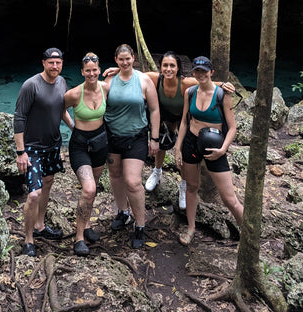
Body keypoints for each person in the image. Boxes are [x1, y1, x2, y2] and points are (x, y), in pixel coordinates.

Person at [105, 51, 235, 209]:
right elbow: (133, 72)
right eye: (165, 65)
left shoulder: (185, 82)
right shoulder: (155, 78)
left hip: (184, 118)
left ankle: (184, 185)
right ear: (160, 67)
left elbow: (206, 80)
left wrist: (223, 85)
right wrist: (119, 69)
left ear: (178, 68)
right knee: (160, 145)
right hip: (164, 116)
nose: (168, 69)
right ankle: (157, 171)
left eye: (172, 66)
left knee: (183, 156)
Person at [174, 56, 243, 246]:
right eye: (197, 71)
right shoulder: (190, 92)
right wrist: (178, 147)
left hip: (215, 145)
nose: (200, 74)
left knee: (228, 197)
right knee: (192, 187)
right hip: (191, 142)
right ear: (193, 73)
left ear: (211, 72)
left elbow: (233, 127)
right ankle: (190, 227)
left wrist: (223, 150)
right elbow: (184, 121)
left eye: (204, 71)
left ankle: (248, 232)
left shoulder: (222, 95)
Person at [14, 47, 74, 257]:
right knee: (34, 193)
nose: (54, 66)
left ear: (62, 64)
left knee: (48, 183)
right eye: (51, 63)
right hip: (32, 148)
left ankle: (40, 226)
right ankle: (28, 239)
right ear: (44, 63)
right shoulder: (31, 85)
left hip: (53, 145)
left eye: (58, 63)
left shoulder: (62, 82)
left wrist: (75, 128)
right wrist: (20, 151)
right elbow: (19, 117)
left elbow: (62, 110)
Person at [104, 43, 160, 249]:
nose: (125, 62)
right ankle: (122, 212)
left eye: (128, 59)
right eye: (121, 59)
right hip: (112, 136)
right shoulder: (110, 80)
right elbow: (95, 95)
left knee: (133, 182)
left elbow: (154, 110)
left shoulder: (143, 80)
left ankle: (140, 225)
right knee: (115, 175)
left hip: (136, 136)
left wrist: (154, 138)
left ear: (134, 58)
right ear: (116, 60)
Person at [64, 52, 110, 256]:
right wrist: (72, 126)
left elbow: (131, 79)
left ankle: (87, 224)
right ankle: (79, 237)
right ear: (82, 72)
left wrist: (116, 70)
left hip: (100, 143)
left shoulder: (106, 87)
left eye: (95, 70)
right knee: (89, 189)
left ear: (99, 70)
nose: (91, 73)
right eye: (87, 70)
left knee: (94, 188)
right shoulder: (74, 94)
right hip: (80, 145)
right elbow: (59, 110)